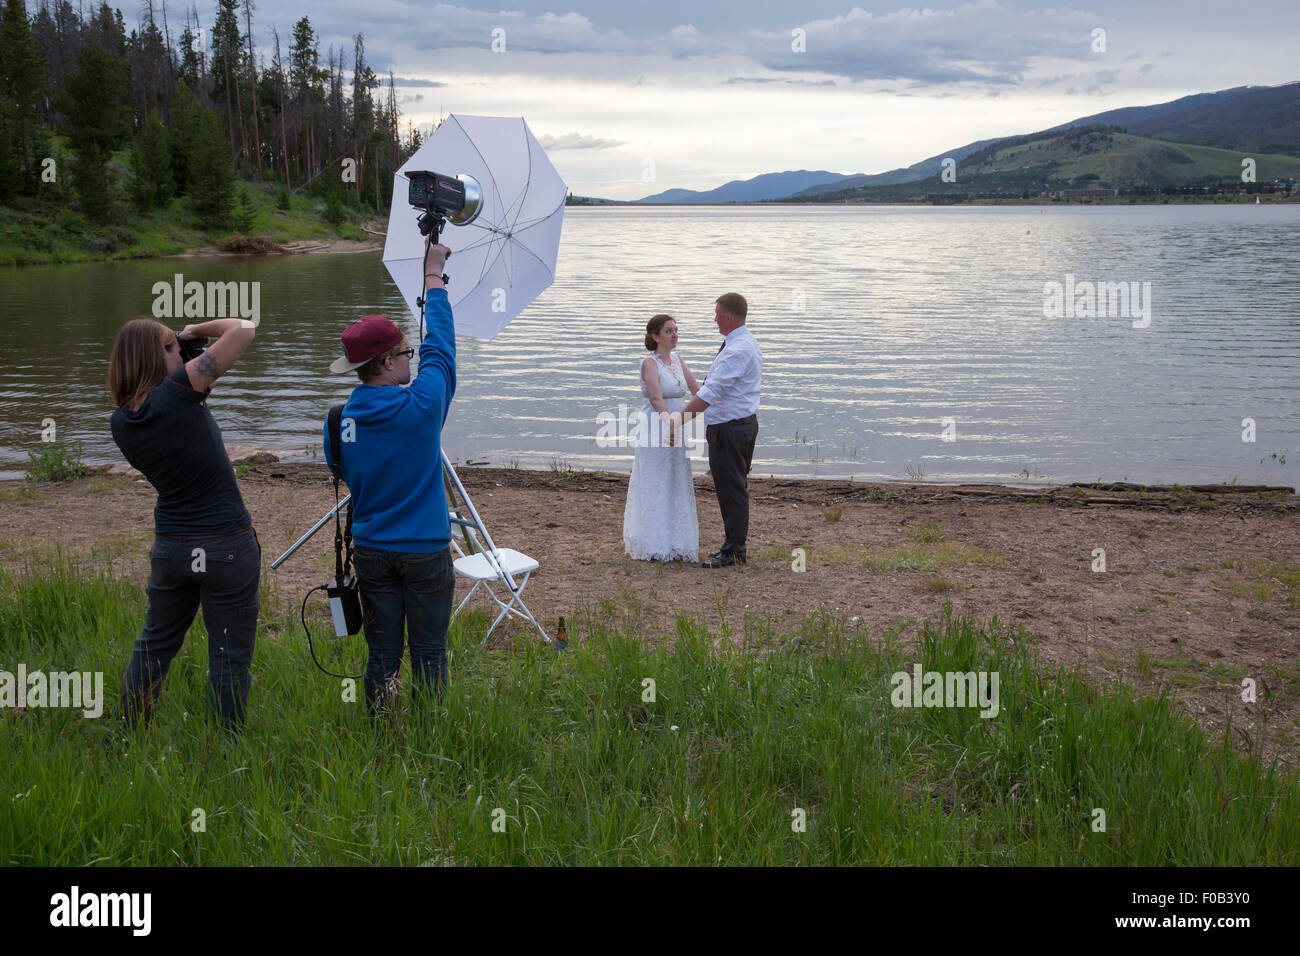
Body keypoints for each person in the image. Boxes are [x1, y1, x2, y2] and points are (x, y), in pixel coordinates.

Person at [324, 238, 456, 716]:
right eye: (406, 351)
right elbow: (443, 349)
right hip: (423, 549)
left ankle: (381, 726)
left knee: (382, 652)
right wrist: (433, 278)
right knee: (429, 652)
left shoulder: (339, 418)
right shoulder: (420, 407)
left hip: (372, 550)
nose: (412, 357)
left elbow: (340, 469)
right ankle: (430, 730)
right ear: (386, 363)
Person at [108, 316, 259, 732]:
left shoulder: (121, 422)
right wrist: (195, 331)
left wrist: (182, 351)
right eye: (173, 347)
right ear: (157, 357)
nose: (183, 351)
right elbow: (244, 328)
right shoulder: (177, 395)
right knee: (228, 655)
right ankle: (225, 742)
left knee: (154, 644)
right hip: (225, 543)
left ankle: (130, 729)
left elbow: (186, 402)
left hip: (173, 548)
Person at [672, 292, 762, 568]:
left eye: (716, 314)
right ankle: (733, 546)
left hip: (730, 429)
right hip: (740, 424)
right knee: (733, 487)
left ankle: (734, 551)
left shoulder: (737, 350)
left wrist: (677, 421)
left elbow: (709, 394)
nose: (714, 320)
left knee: (731, 489)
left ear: (727, 316)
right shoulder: (743, 343)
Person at [622, 314, 701, 562]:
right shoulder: (649, 363)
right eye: (668, 331)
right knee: (656, 482)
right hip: (656, 429)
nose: (674, 335)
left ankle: (677, 541)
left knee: (676, 480)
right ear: (655, 336)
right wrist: (670, 425)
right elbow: (656, 399)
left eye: (676, 330)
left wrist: (716, 405)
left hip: (677, 427)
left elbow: (697, 391)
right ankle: (654, 543)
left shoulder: (678, 359)